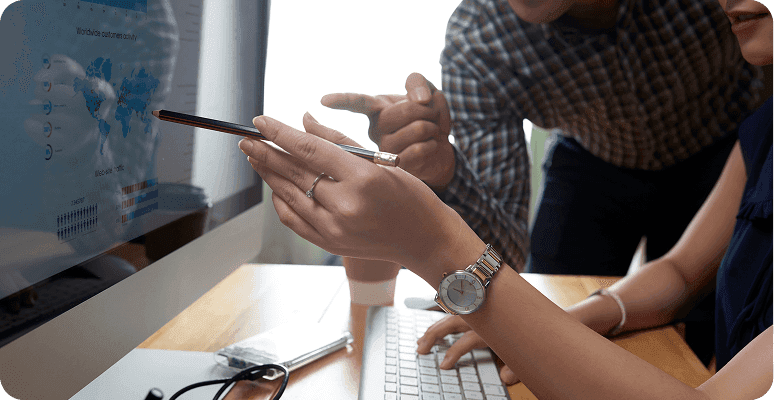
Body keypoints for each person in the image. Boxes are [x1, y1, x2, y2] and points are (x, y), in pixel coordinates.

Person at [234, 0, 773, 396]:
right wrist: (445, 178)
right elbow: (514, 257)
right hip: (603, 161)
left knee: (724, 319)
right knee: (545, 302)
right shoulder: (479, 42)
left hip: (724, 138)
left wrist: (432, 240)